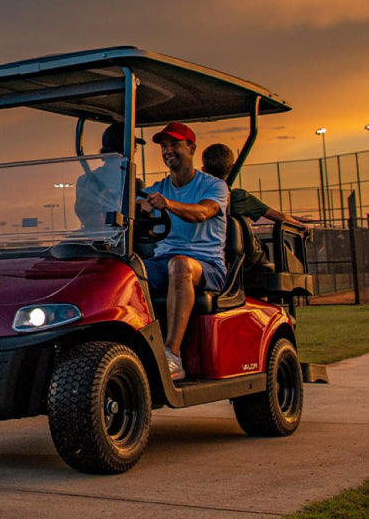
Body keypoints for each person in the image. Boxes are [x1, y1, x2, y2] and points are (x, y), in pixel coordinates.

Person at [142, 122, 228, 381]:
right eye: (164, 147)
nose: (169, 151)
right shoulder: (157, 188)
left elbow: (203, 212)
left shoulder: (213, 186)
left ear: (191, 147)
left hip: (207, 264)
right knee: (122, 273)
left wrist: (168, 204)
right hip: (163, 261)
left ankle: (172, 355)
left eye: (175, 145)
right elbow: (135, 204)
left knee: (179, 265)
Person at [201, 143, 307, 268]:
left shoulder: (196, 201)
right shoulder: (239, 198)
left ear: (203, 170)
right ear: (232, 168)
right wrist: (301, 226)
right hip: (248, 260)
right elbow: (279, 217)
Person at [74, 123, 145, 229]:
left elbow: (82, 213)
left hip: (93, 237)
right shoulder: (134, 184)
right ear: (129, 150)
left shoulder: (84, 180)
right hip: (118, 239)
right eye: (134, 148)